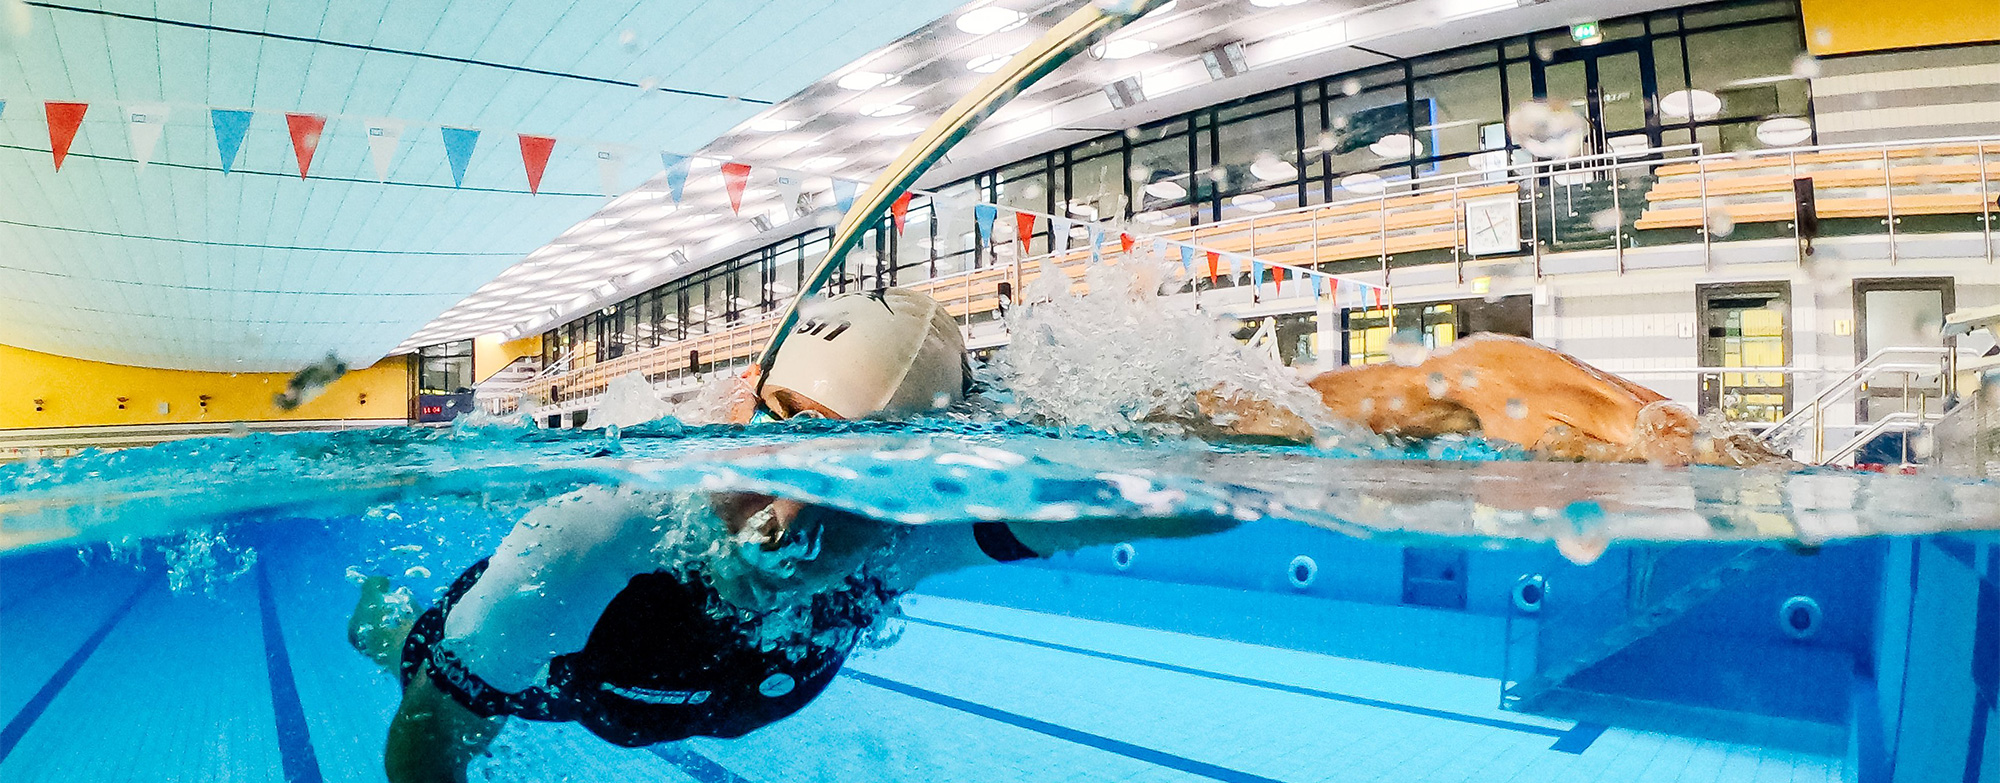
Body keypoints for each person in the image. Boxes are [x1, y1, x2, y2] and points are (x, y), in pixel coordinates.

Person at [347, 288, 1232, 783]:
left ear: (904, 493)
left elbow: (1190, 497)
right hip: (564, 672)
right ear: (742, 409)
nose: (782, 528)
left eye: (845, 487)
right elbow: (433, 727)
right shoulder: (599, 533)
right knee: (426, 669)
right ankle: (380, 615)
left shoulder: (908, 537)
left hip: (655, 691)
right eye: (784, 445)